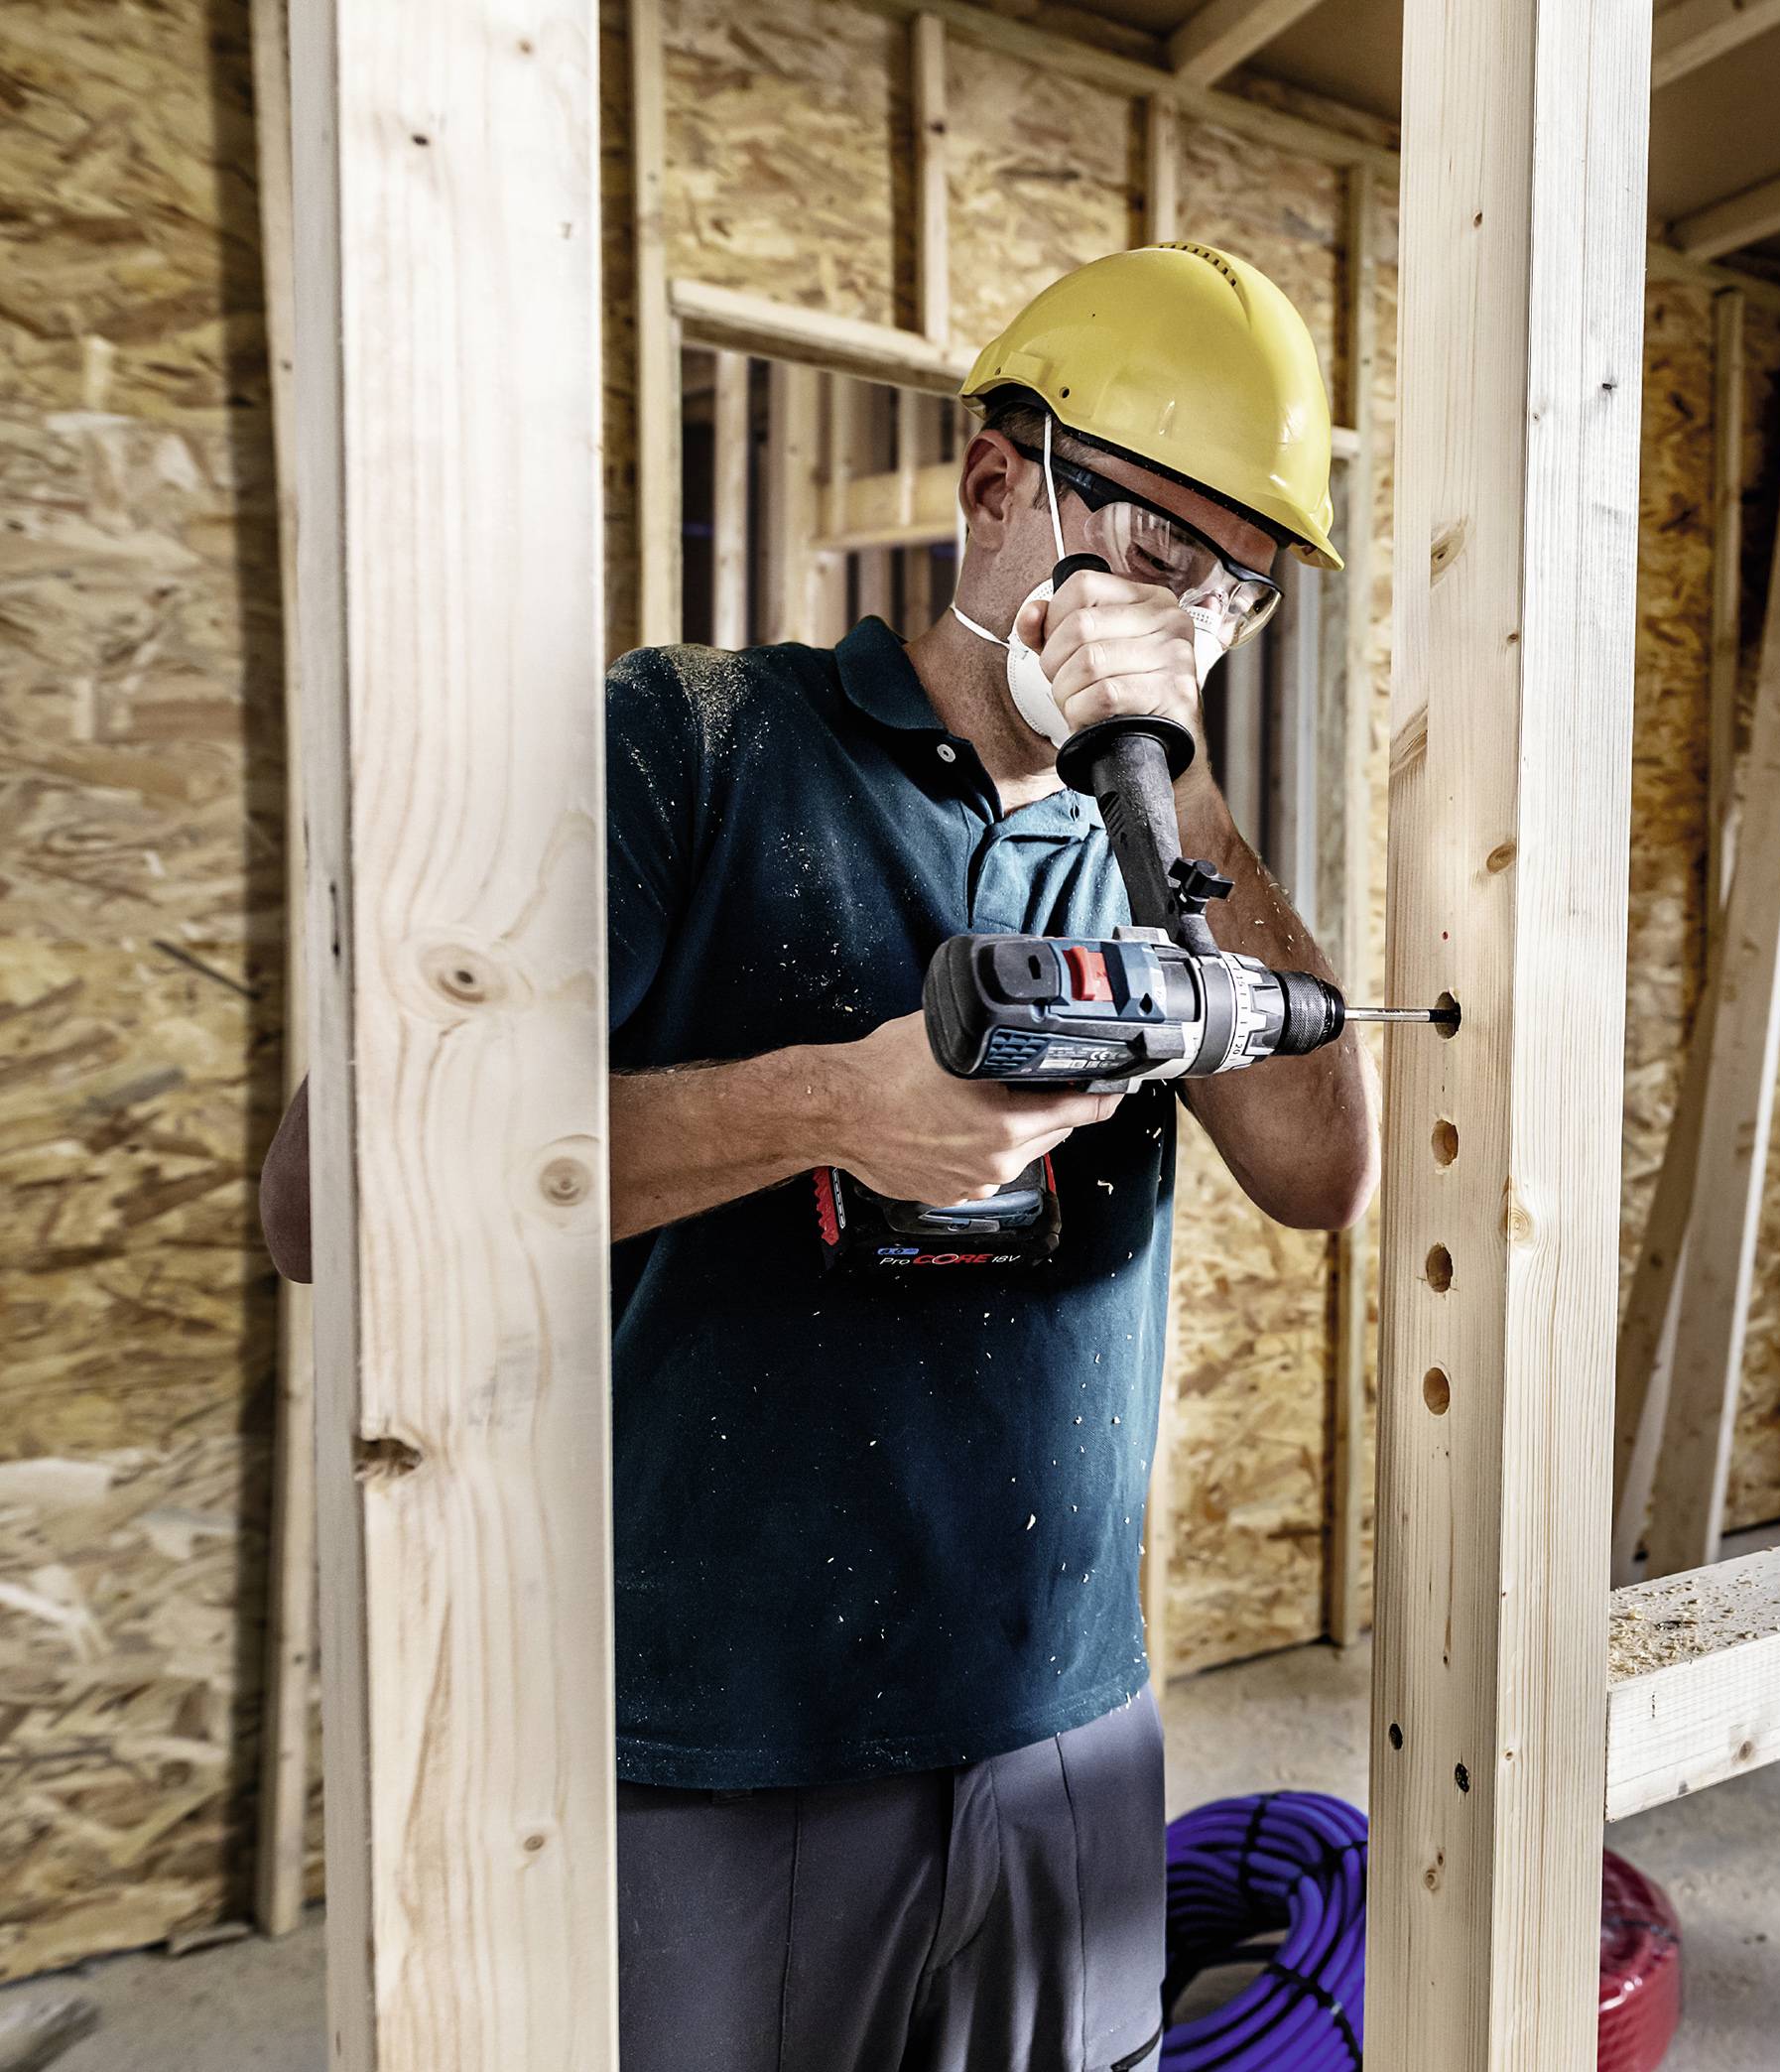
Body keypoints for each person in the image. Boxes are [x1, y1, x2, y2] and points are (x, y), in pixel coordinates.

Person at [257, 244, 1377, 2072]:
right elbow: (332, 1198)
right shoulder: (687, 743)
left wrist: (1168, 782)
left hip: (1059, 1713)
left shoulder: (1162, 850)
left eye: (1235, 591)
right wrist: (831, 1106)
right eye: (1155, 546)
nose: (1185, 608)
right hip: (721, 1735)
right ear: (997, 481)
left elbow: (1325, 1174)